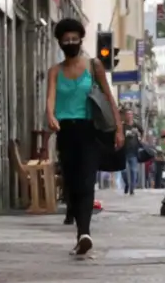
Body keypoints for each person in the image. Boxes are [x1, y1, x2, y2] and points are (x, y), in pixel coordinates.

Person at [47, 17, 122, 256]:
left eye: (74, 38)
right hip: (65, 132)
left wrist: (119, 128)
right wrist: (50, 115)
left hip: (89, 130)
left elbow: (108, 97)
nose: (70, 42)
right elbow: (50, 99)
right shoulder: (55, 71)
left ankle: (84, 233)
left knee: (87, 181)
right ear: (60, 43)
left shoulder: (93, 66)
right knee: (72, 184)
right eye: (66, 39)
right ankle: (81, 231)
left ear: (81, 40)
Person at [120, 109, 143, 195]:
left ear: (132, 116)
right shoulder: (123, 126)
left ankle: (132, 188)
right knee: (124, 171)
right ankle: (127, 184)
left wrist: (141, 139)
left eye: (130, 114)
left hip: (133, 151)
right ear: (125, 116)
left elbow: (142, 131)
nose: (129, 116)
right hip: (124, 151)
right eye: (127, 114)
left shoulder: (136, 125)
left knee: (134, 170)